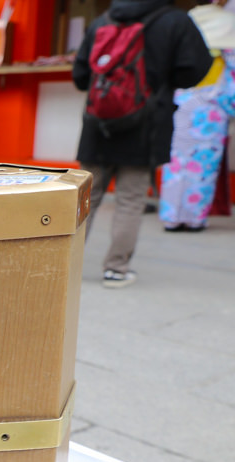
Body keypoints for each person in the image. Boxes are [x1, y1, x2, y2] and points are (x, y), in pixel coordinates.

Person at [73, 0, 213, 288]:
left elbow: (80, 76)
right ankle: (116, 269)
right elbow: (196, 69)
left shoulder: (104, 19)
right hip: (146, 122)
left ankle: (62, 268)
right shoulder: (176, 21)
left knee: (85, 199)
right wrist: (161, 83)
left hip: (98, 123)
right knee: (130, 199)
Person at [159, 0, 235, 232]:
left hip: (182, 99)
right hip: (211, 104)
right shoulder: (229, 24)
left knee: (175, 161)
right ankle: (194, 218)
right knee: (203, 165)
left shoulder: (188, 19)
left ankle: (171, 216)